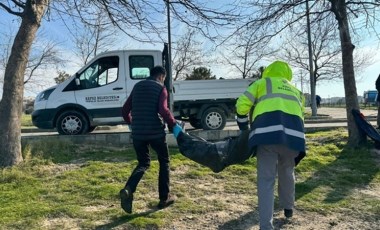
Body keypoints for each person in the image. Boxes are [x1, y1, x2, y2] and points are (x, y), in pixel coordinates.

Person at [235, 60, 306, 230]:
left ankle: (266, 226)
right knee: (287, 172)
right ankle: (288, 209)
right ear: (288, 74)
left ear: (268, 71)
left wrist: (243, 126)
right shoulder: (297, 91)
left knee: (266, 180)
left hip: (267, 136)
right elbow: (301, 116)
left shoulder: (262, 83)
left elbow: (241, 104)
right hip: (293, 138)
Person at [120, 65, 182, 213]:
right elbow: (163, 109)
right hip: (156, 133)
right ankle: (164, 198)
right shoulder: (161, 88)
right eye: (163, 79)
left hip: (138, 134)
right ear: (161, 76)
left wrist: (131, 123)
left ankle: (129, 188)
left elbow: (124, 110)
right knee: (164, 161)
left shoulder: (137, 86)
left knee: (143, 163)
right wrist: (174, 125)